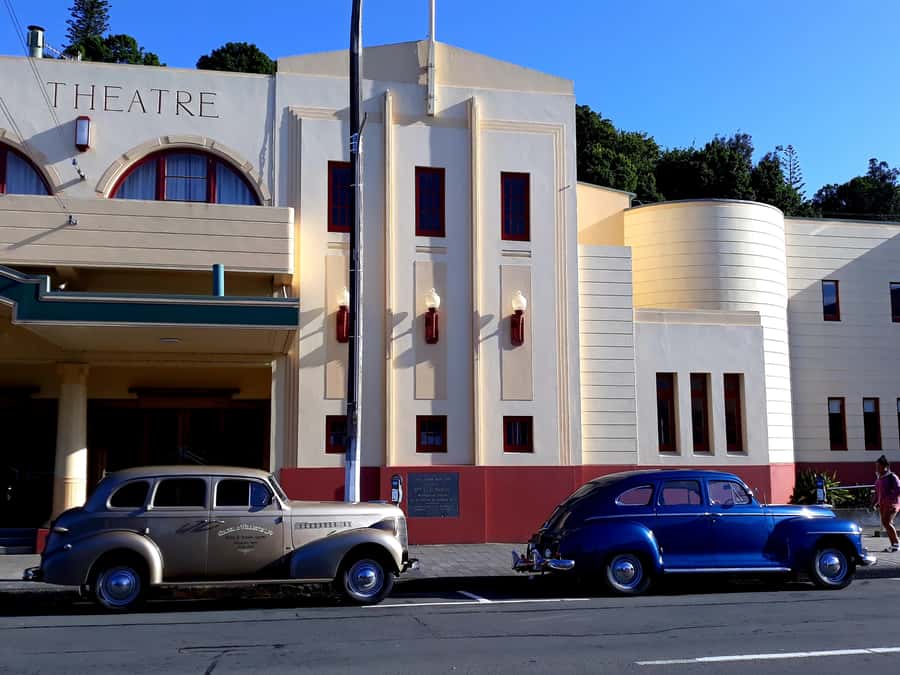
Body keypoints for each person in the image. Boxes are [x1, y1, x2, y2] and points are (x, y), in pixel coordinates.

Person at [874, 455, 900, 553]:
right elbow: (878, 492)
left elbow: (898, 490)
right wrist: (876, 502)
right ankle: (893, 544)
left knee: (887, 522)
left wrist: (889, 499)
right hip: (883, 504)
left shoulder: (892, 477)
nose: (877, 468)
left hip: (892, 504)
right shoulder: (879, 478)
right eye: (876, 466)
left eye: (879, 466)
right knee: (887, 523)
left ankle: (896, 543)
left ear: (885, 466)